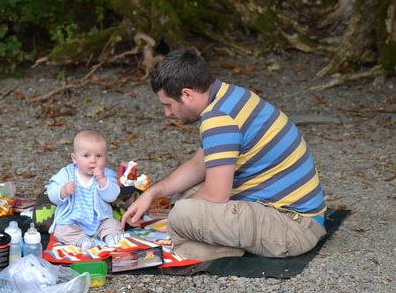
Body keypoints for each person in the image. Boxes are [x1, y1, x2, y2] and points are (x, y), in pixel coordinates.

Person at [121, 49, 327, 261]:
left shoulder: (219, 119)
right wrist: (152, 194)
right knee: (186, 199)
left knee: (182, 214)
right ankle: (210, 243)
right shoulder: (228, 95)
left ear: (187, 95)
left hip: (294, 227)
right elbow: (198, 165)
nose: (167, 113)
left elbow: (216, 195)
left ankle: (223, 249)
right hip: (286, 212)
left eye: (168, 105)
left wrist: (176, 215)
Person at [47, 130, 129, 250]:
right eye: (86, 155)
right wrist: (63, 191)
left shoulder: (107, 175)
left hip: (100, 222)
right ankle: (81, 240)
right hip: (73, 222)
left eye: (98, 156)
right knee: (60, 230)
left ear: (105, 157)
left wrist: (102, 180)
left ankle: (111, 238)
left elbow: (112, 196)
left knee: (113, 224)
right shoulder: (66, 174)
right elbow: (51, 193)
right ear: (74, 158)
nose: (93, 161)